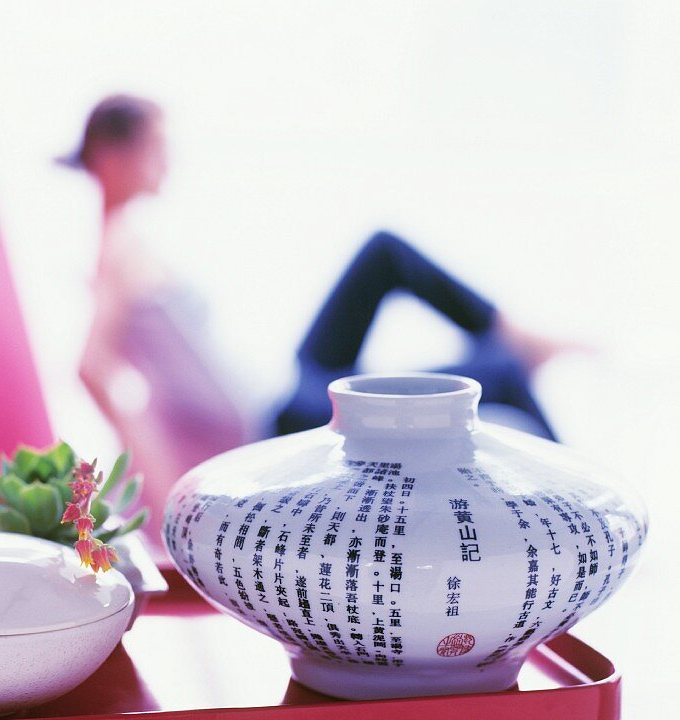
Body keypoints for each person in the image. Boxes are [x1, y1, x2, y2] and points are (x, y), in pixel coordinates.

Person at [61, 95, 580, 516]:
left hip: (289, 390)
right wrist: (164, 481)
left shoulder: (123, 241)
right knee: (503, 372)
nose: (167, 161)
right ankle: (580, 505)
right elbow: (92, 366)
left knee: (383, 253)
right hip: (285, 425)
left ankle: (505, 327)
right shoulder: (119, 250)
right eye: (156, 147)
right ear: (112, 156)